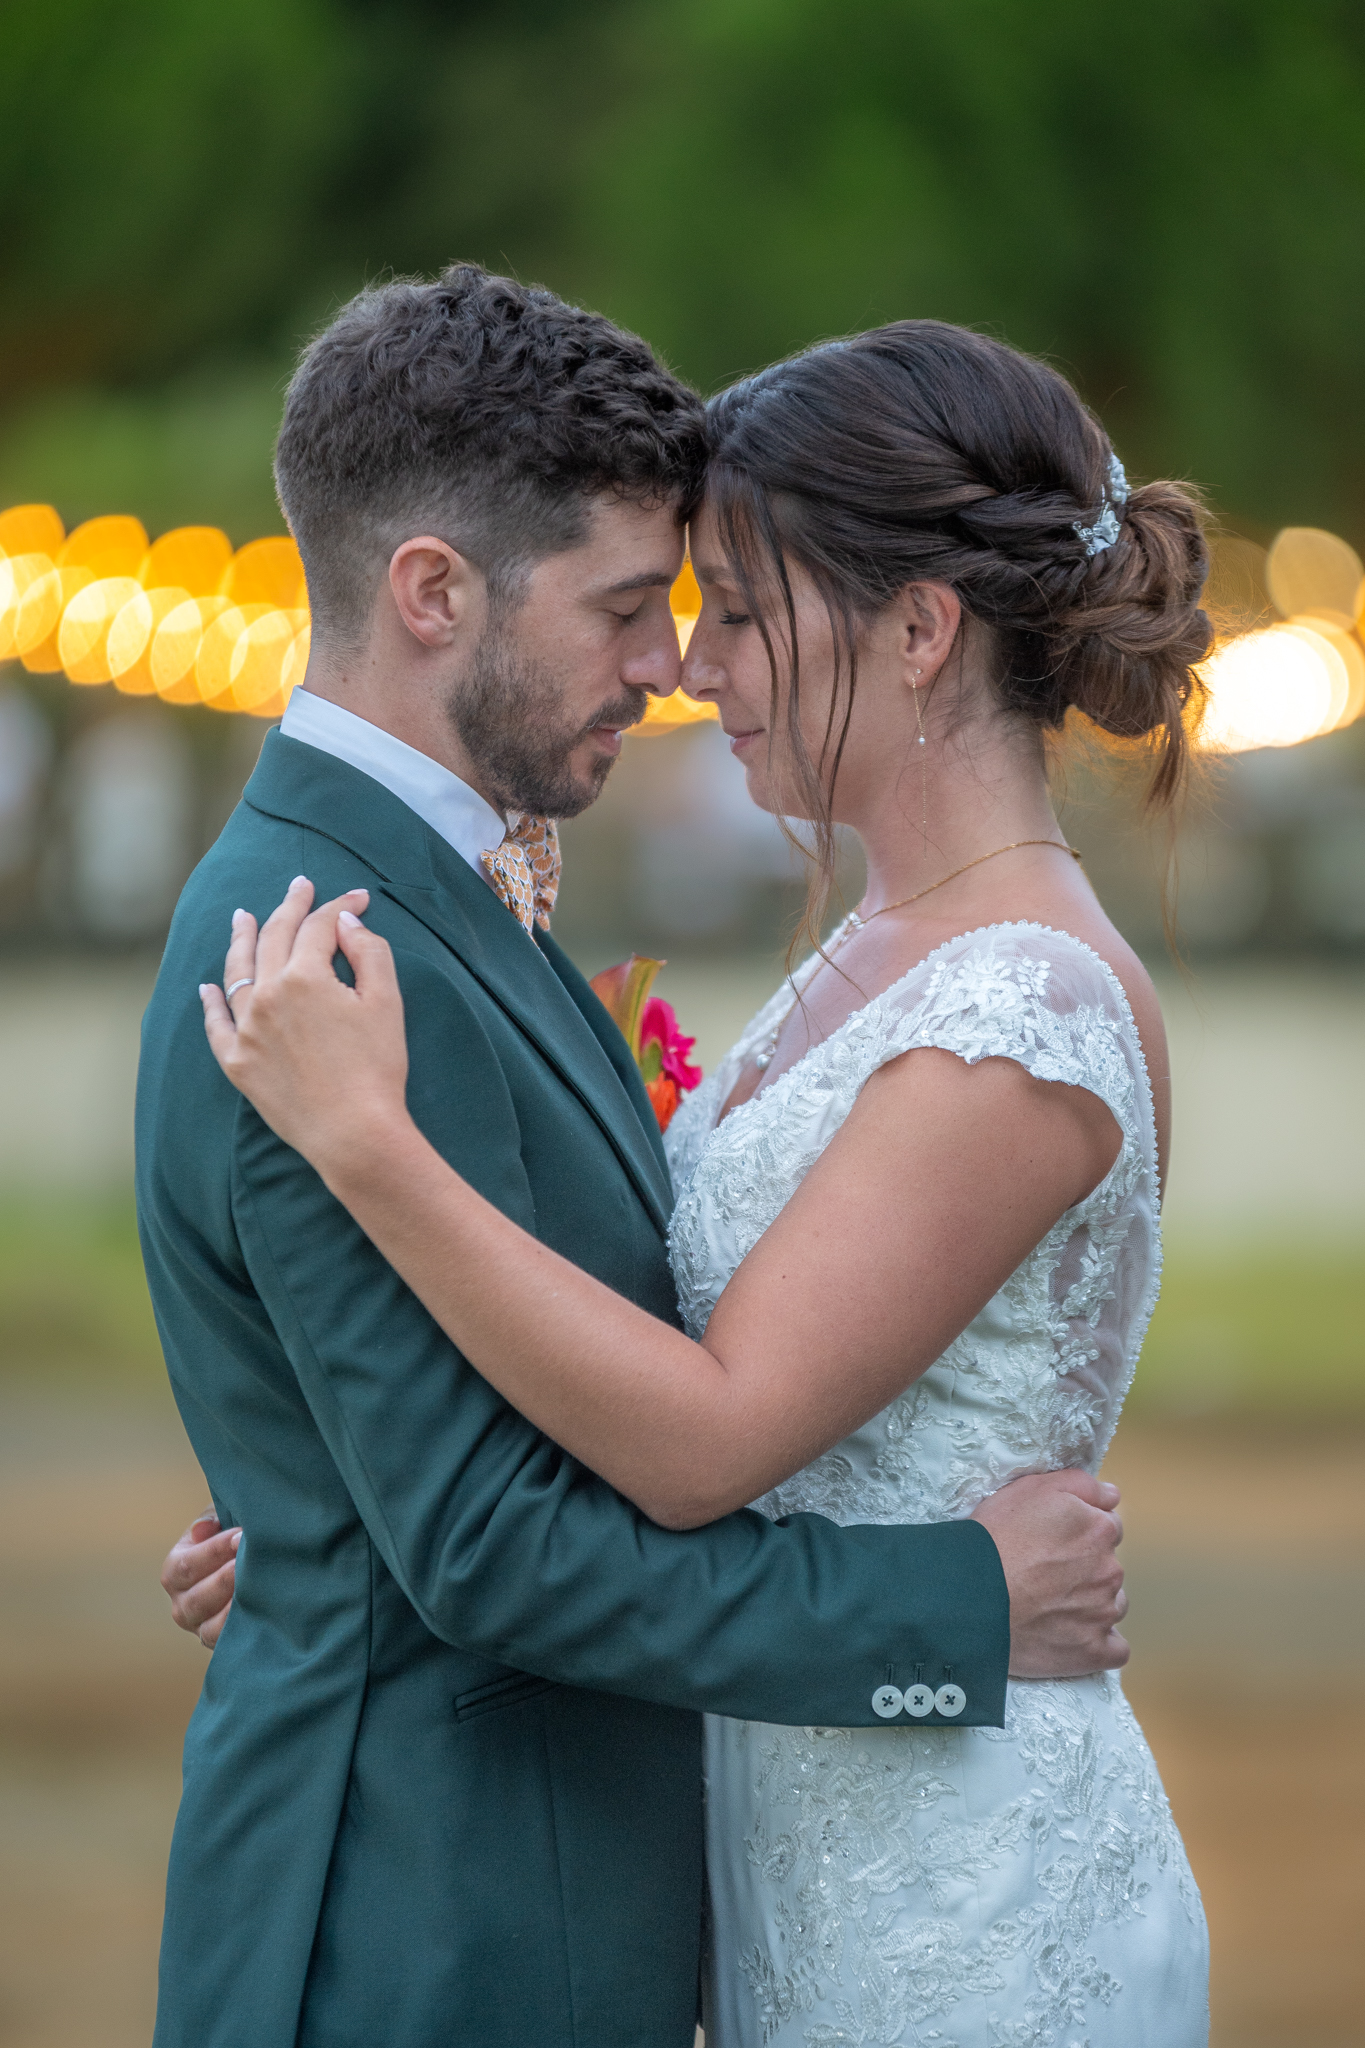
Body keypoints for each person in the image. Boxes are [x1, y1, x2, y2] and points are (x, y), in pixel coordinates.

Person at [189, 318, 1211, 2046]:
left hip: (952, 1884)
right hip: (785, 1826)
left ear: (913, 627)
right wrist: (344, 1520)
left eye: (737, 609)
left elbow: (704, 1435)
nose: (689, 664)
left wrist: (369, 1147)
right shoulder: (871, 947)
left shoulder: (1018, 1014)